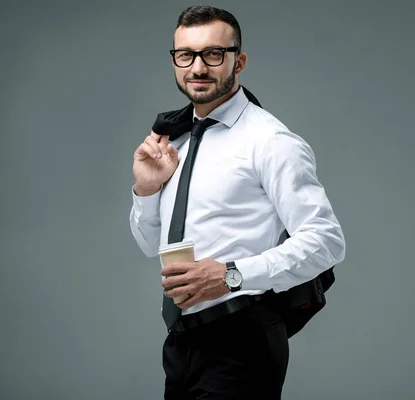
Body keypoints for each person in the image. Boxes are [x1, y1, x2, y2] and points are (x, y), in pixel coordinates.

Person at [129, 4, 345, 399]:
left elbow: (326, 242)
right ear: (175, 60)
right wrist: (146, 191)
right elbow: (149, 246)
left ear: (238, 61)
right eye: (185, 55)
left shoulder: (270, 141)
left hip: (242, 339)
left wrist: (230, 275)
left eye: (213, 54)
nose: (197, 68)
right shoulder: (172, 142)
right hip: (181, 343)